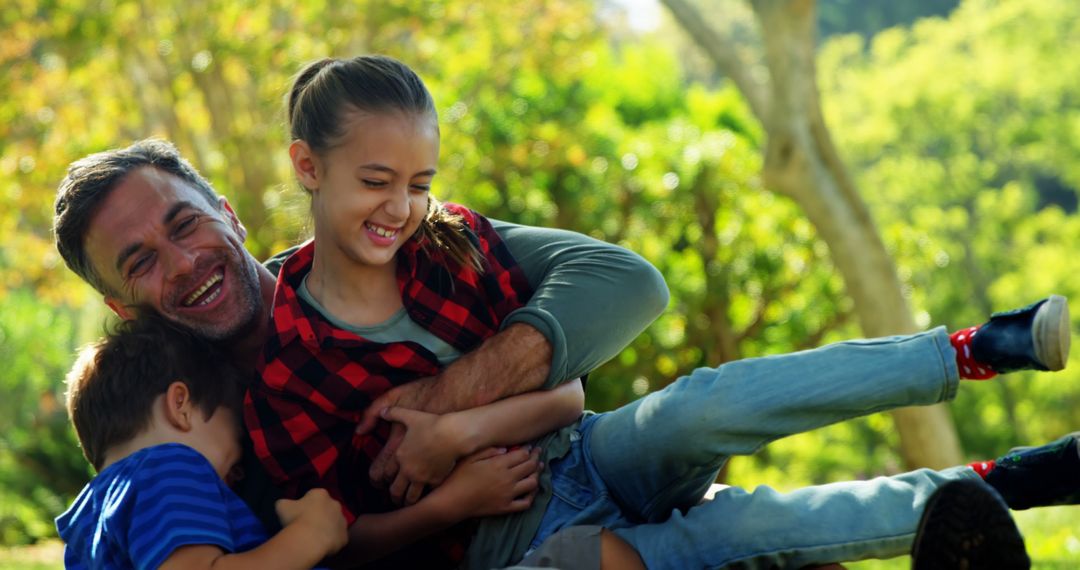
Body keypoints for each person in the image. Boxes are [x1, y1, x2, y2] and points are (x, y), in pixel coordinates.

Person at [52, 60, 1078, 567]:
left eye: (186, 225)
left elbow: (618, 294)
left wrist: (457, 408)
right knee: (724, 536)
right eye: (140, 260)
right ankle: (995, 489)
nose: (183, 263)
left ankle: (975, 350)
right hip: (524, 546)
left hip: (587, 451)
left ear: (226, 208)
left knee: (696, 412)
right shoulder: (210, 423)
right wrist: (444, 504)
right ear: (114, 299)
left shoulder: (417, 241)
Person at [55, 315, 349, 568]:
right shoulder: (169, 467)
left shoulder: (91, 519)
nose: (238, 476)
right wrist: (310, 535)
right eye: (235, 458)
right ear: (181, 405)